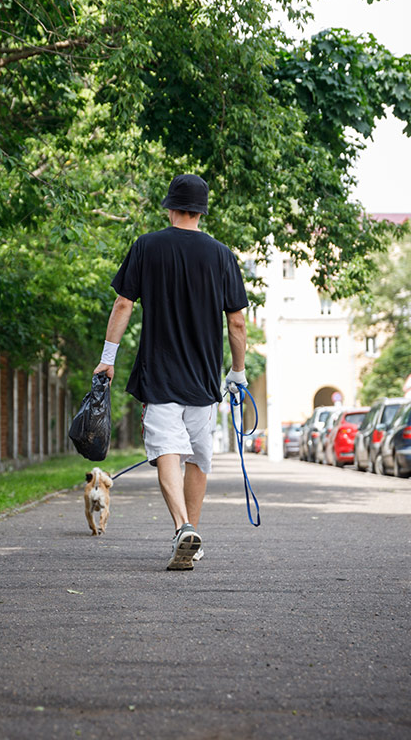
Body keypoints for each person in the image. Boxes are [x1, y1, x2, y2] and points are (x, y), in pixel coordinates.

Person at [93, 173, 249, 571]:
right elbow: (237, 323)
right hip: (202, 377)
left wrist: (108, 358)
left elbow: (123, 305)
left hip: (158, 374)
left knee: (167, 450)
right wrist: (238, 372)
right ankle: (190, 532)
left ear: (169, 207)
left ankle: (183, 527)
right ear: (201, 210)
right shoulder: (222, 255)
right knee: (198, 457)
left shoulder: (147, 246)